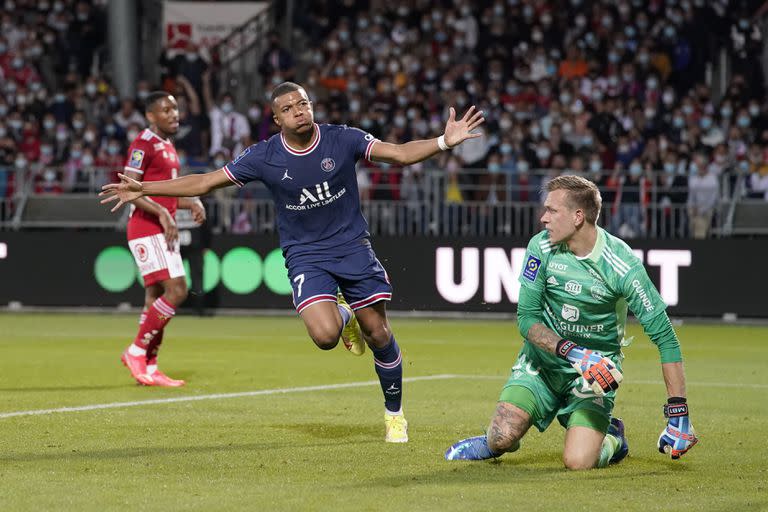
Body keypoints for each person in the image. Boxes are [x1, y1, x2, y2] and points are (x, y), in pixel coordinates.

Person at [101, 81, 484, 443]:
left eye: (303, 103)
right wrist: (144, 187)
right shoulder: (264, 155)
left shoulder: (342, 137)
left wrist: (442, 142)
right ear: (277, 119)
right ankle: (343, 317)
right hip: (306, 256)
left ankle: (394, 413)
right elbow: (205, 182)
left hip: (352, 247)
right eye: (288, 108)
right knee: (324, 336)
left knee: (379, 334)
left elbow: (399, 154)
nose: (298, 111)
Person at [445, 175, 698, 469]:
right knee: (501, 438)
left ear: (578, 216)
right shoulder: (540, 248)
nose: (543, 218)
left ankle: (613, 439)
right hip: (543, 363)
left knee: (578, 462)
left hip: (594, 374)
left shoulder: (622, 265)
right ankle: (490, 441)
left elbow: (666, 338)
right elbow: (527, 320)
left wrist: (678, 414)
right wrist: (573, 352)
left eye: (552, 211)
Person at [119, 91, 206, 387]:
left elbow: (160, 193)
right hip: (146, 227)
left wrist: (190, 202)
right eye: (166, 110)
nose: (174, 114)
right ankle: (136, 351)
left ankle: (150, 366)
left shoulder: (166, 145)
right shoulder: (143, 144)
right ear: (151, 116)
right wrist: (163, 214)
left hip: (160, 227)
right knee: (178, 290)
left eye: (176, 109)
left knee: (155, 299)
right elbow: (128, 190)